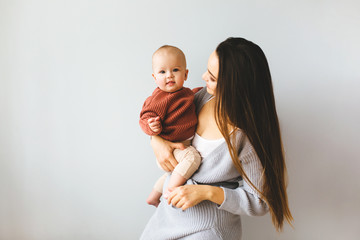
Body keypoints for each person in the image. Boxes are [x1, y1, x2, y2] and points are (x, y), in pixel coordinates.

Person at [140, 37, 293, 239]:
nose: (203, 77)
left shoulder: (246, 136)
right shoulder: (200, 98)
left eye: (212, 77)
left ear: (234, 88)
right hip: (167, 219)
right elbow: (163, 122)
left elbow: (261, 201)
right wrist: (156, 141)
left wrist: (207, 192)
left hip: (208, 229)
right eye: (207, 70)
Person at [139, 45, 202, 207]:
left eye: (175, 70)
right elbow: (145, 117)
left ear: (186, 74)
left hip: (180, 148)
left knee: (176, 173)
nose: (169, 76)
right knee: (193, 158)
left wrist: (203, 91)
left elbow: (191, 98)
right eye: (162, 72)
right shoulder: (160, 98)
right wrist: (151, 126)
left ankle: (154, 196)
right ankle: (171, 192)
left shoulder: (186, 93)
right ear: (154, 77)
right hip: (171, 148)